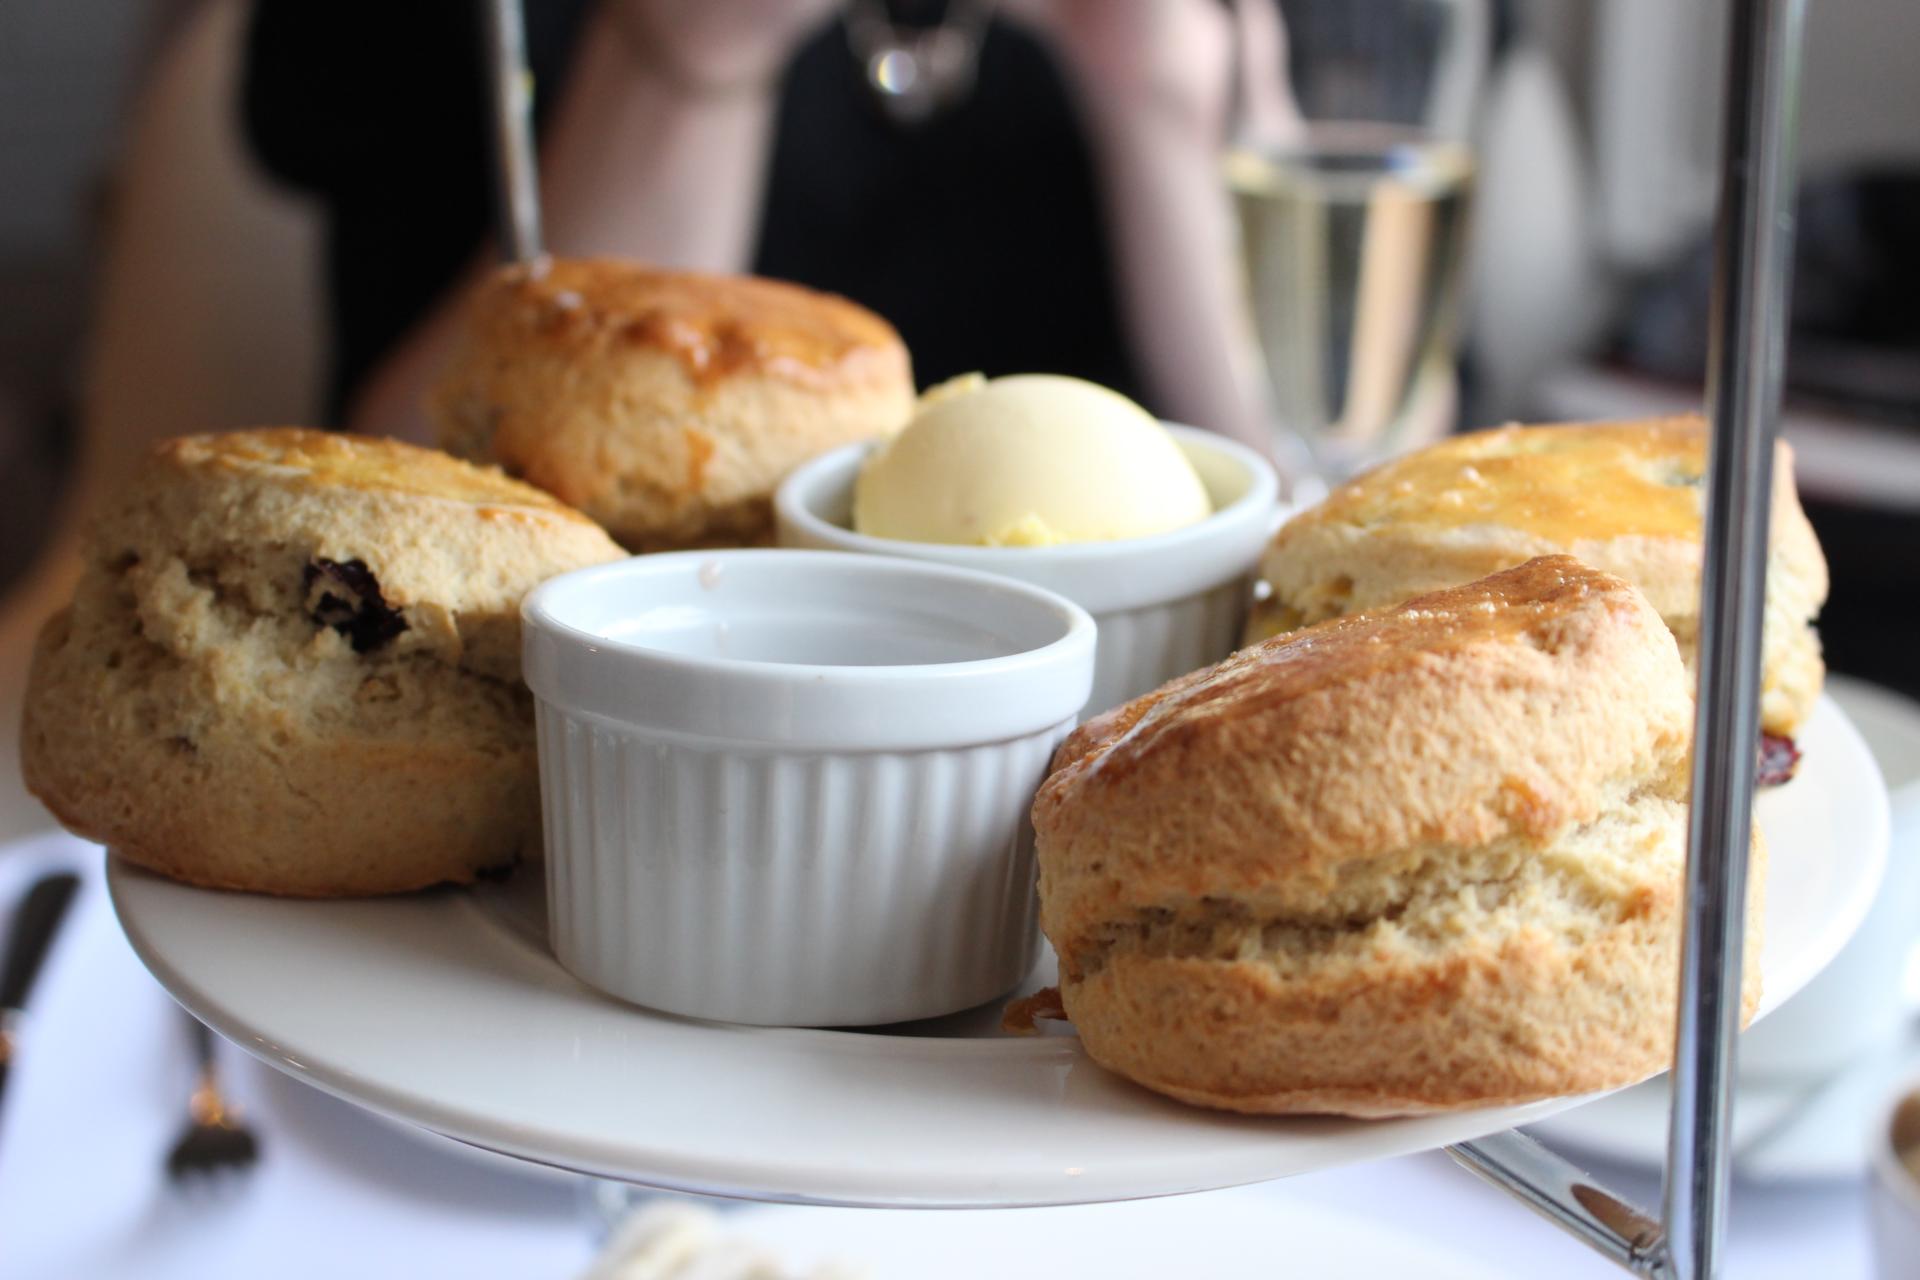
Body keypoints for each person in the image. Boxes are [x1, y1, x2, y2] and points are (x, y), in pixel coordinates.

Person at [241, 0, 1270, 451]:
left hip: (1136, 723)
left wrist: (1159, 104)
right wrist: (682, 58)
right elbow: (384, 520)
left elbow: (1327, 498)